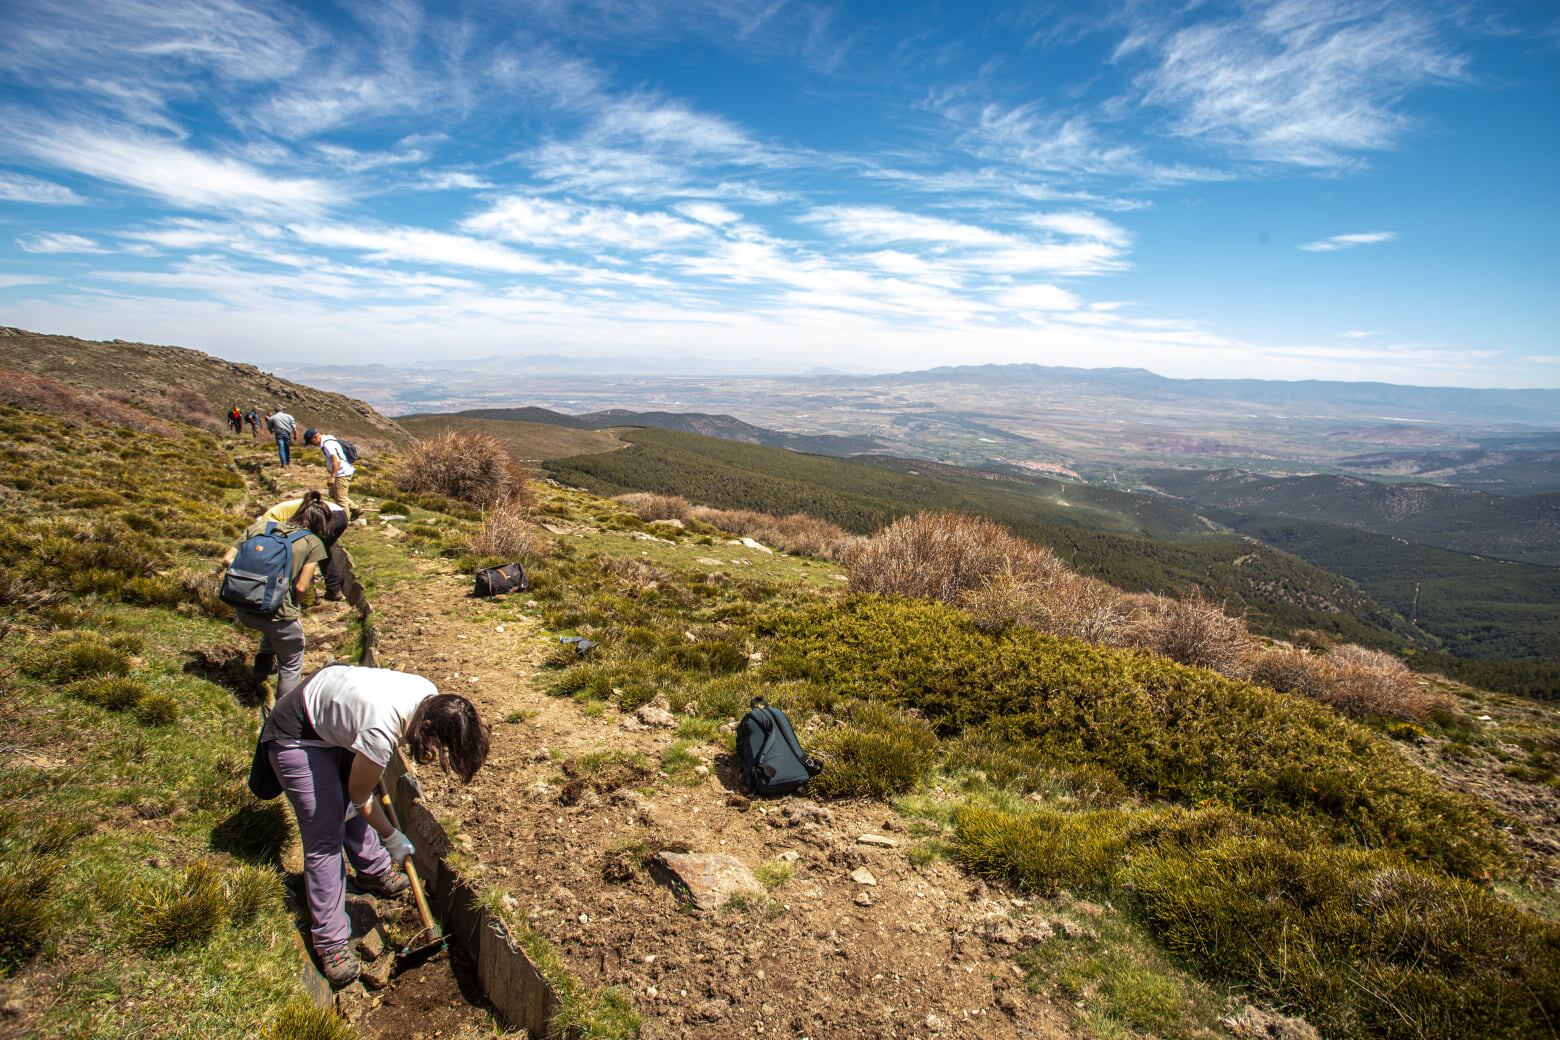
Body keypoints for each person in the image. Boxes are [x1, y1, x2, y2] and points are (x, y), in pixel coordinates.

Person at [258, 664, 490, 985]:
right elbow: (360, 798)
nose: (438, 752)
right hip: (297, 734)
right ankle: (332, 942)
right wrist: (392, 836)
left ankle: (373, 871)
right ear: (427, 724)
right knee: (325, 832)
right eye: (439, 745)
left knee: (350, 799)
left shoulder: (428, 694)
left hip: (332, 715)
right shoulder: (379, 732)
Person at [219, 499, 329, 702]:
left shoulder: (260, 526)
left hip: (243, 608)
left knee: (271, 631)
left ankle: (258, 679)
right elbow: (301, 587)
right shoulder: (312, 542)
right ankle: (283, 714)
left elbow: (227, 560)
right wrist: (292, 601)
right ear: (321, 524)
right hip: (278, 615)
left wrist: (251, 585)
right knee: (291, 662)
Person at [262, 490, 349, 601]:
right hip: (340, 516)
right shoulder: (273, 515)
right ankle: (333, 590)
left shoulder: (267, 521)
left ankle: (309, 596)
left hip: (329, 516)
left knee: (305, 553)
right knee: (321, 550)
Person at [304, 428, 356, 517]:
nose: (312, 444)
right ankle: (355, 508)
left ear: (315, 437)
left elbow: (337, 461)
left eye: (311, 441)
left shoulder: (327, 445)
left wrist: (332, 476)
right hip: (341, 471)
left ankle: (345, 523)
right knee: (333, 494)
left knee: (341, 500)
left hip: (341, 473)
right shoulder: (328, 438)